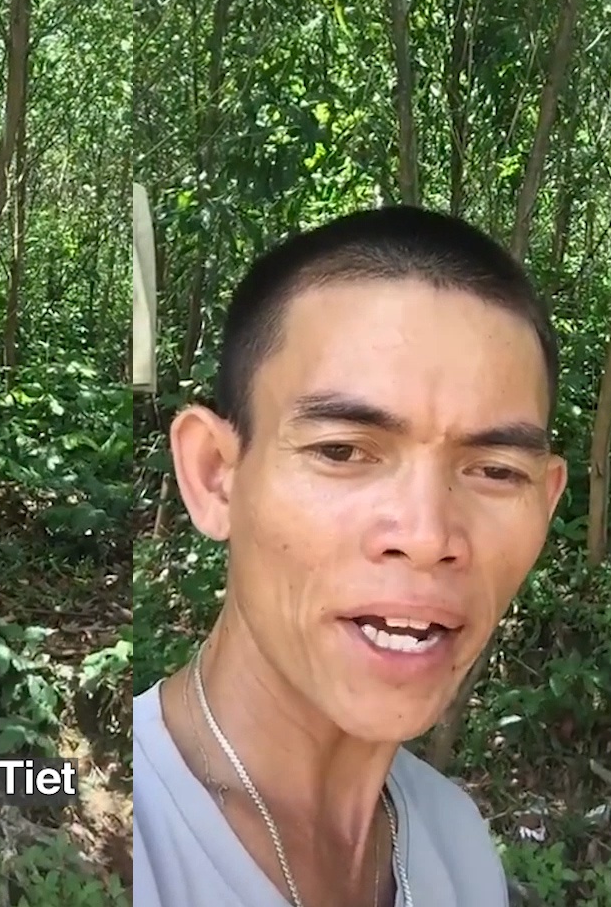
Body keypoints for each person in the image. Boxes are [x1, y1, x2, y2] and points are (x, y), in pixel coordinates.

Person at [131, 205, 568, 906]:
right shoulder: (135, 844)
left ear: (544, 506)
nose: (428, 536)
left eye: (494, 470)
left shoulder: (456, 842)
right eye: (341, 451)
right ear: (215, 474)